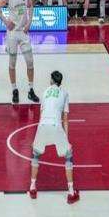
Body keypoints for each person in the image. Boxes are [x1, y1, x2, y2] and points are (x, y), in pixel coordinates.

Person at [29, 70, 80, 204]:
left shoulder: (45, 92)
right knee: (68, 155)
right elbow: (65, 119)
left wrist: (37, 137)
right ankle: (71, 192)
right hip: (56, 125)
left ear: (51, 80)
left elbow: (41, 115)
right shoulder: (64, 93)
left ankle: (32, 187)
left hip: (42, 125)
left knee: (35, 154)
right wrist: (66, 140)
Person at [0, 0, 39, 103]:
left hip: (24, 31)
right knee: (12, 63)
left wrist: (29, 22)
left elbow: (31, 5)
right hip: (12, 32)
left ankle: (31, 89)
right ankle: (14, 89)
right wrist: (5, 21)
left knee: (30, 62)